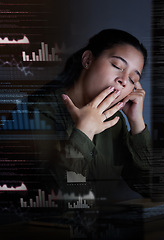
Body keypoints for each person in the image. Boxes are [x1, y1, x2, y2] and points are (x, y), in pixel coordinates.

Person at [28, 29, 152, 202]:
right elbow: (59, 198)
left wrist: (137, 123)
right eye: (117, 66)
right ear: (88, 60)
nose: (124, 80)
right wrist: (84, 131)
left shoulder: (114, 122)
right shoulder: (37, 112)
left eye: (132, 79)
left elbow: (150, 188)